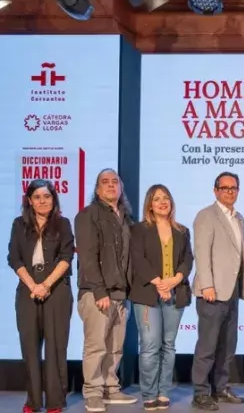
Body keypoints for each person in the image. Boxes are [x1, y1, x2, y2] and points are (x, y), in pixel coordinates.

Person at [8, 179, 75, 413]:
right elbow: (14, 258)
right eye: (37, 197)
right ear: (29, 200)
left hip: (56, 290)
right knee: (29, 347)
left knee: (56, 347)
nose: (42, 201)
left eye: (47, 196)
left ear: (53, 199)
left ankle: (55, 401)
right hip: (27, 290)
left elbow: (66, 257)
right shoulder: (19, 224)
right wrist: (33, 286)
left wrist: (45, 285)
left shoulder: (63, 224)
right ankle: (33, 401)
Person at [75, 168, 137, 412]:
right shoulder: (88, 215)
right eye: (105, 182)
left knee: (115, 347)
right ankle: (92, 392)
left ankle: (110, 388)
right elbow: (87, 257)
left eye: (115, 181)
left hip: (122, 294)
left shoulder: (126, 218)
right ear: (97, 188)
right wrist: (99, 291)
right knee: (96, 346)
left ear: (120, 188)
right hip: (97, 293)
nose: (111, 185)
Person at [190, 172, 244, 411]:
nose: (229, 192)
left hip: (232, 291)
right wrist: (207, 285)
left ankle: (221, 388)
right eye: (224, 188)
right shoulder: (206, 215)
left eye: (233, 188)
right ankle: (200, 393)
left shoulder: (239, 217)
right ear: (215, 191)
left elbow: (239, 255)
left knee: (227, 345)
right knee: (207, 346)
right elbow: (201, 252)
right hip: (212, 292)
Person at [129, 185, 194, 410]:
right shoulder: (138, 229)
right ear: (150, 204)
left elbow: (188, 259)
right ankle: (149, 393)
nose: (162, 202)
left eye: (166, 198)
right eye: (157, 199)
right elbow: (137, 259)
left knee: (168, 345)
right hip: (147, 293)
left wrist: (174, 280)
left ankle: (163, 391)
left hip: (175, 293)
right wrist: (159, 283)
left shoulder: (182, 231)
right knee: (150, 345)